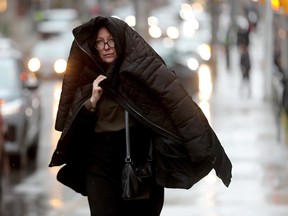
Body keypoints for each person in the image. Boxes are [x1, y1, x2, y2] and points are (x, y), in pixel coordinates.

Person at [49, 16, 232, 216]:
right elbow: (76, 133)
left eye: (111, 40)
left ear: (120, 40)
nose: (107, 46)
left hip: (141, 166)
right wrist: (91, 102)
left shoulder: (141, 73)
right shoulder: (87, 80)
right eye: (100, 42)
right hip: (100, 168)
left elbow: (178, 105)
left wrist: (210, 150)